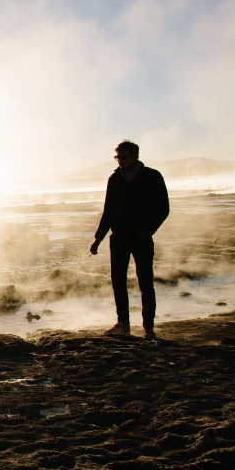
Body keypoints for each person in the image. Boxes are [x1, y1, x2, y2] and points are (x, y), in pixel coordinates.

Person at [90, 140, 169, 339]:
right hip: (118, 238)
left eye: (123, 157)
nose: (120, 161)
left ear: (135, 156)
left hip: (142, 238)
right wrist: (98, 239)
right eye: (117, 157)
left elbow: (163, 208)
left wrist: (148, 231)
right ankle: (123, 324)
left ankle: (148, 328)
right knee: (118, 281)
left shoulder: (152, 176)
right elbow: (108, 211)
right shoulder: (114, 179)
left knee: (146, 282)